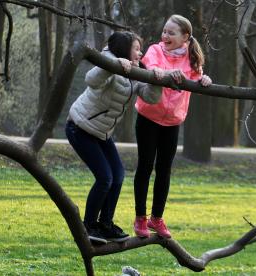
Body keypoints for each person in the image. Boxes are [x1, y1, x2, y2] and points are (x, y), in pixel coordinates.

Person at [65, 31, 162, 243]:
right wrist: (114, 65)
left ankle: (105, 224)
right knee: (105, 178)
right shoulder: (108, 60)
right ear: (125, 49)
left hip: (101, 133)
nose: (140, 53)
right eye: (136, 49)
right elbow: (91, 79)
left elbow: (151, 97)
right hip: (80, 127)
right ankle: (88, 226)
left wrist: (156, 80)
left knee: (117, 175)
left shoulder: (134, 71)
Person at [133, 14, 212, 239]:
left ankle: (156, 218)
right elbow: (152, 69)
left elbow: (197, 77)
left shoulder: (191, 56)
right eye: (164, 31)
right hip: (149, 116)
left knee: (164, 169)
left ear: (185, 37)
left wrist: (204, 80)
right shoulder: (155, 50)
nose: (165, 35)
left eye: (171, 32)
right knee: (146, 166)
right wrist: (167, 73)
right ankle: (140, 218)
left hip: (173, 121)